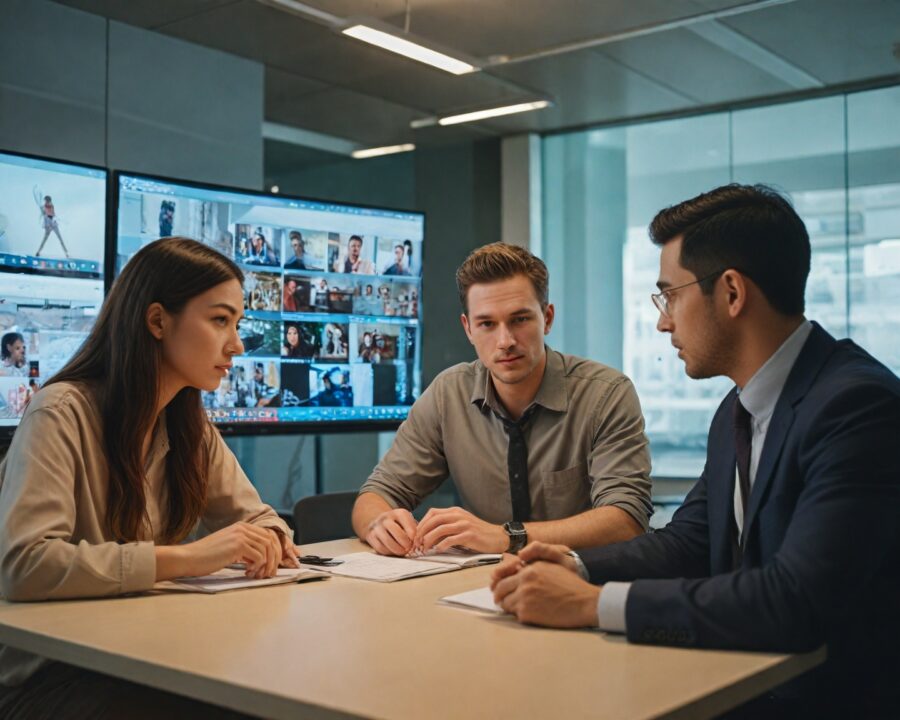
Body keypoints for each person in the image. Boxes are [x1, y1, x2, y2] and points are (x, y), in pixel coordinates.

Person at [490, 185, 900, 718]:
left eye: (670, 296)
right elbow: (690, 542)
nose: (663, 321)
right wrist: (573, 564)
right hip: (740, 681)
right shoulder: (738, 406)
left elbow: (796, 600)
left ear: (731, 293)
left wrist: (594, 605)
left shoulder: (858, 406)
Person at [0, 237, 300, 718]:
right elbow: (25, 565)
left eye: (237, 324)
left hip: (144, 652)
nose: (237, 344)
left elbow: (262, 519)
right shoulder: (59, 413)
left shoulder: (189, 423)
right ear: (158, 320)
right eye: (220, 320)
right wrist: (185, 558)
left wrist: (267, 538)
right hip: (50, 676)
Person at [352, 242, 652, 557]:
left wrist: (508, 537)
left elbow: (626, 519)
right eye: (487, 324)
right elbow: (374, 497)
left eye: (520, 320)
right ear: (468, 329)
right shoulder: (448, 395)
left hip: (583, 585)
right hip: (477, 589)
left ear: (547, 318)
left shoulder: (606, 394)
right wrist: (380, 524)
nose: (505, 341)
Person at [34, 193, 69, 258]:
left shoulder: (51, 205)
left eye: (48, 201)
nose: (48, 202)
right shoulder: (44, 207)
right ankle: (38, 252)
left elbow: (52, 214)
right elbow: (44, 216)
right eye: (47, 201)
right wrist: (43, 212)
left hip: (53, 224)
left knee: (60, 239)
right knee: (44, 240)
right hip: (48, 226)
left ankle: (66, 253)